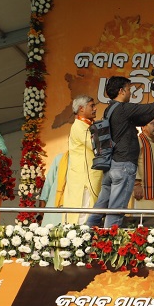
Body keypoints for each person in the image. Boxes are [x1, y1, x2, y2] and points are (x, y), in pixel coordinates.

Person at [86, 76, 154, 228]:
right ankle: (108, 244)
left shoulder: (110, 110)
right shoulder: (123, 108)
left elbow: (145, 117)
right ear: (121, 91)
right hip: (123, 166)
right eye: (128, 89)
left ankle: (86, 234)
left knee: (100, 207)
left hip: (112, 166)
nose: (130, 93)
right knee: (116, 210)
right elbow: (150, 110)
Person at [61, 95, 101, 224]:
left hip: (91, 176)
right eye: (92, 106)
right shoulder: (79, 126)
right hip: (83, 179)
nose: (95, 109)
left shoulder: (89, 125)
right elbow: (94, 144)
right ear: (81, 109)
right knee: (83, 214)